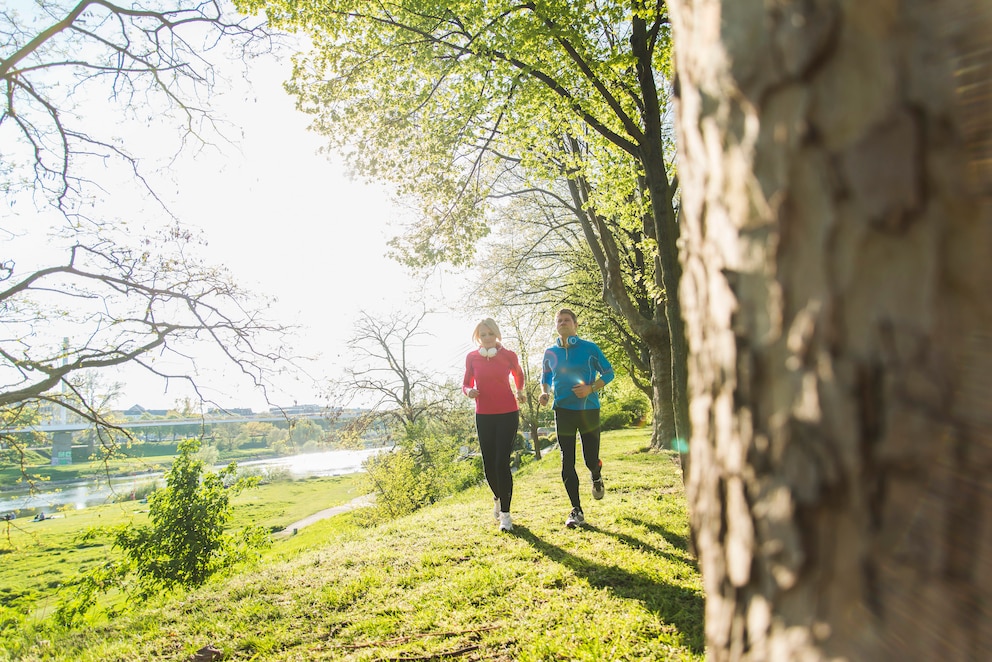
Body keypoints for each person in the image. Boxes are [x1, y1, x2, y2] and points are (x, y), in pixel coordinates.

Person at [539, 308, 614, 528]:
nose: (562, 323)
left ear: (575, 325)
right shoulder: (550, 353)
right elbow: (545, 376)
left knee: (591, 459)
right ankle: (576, 510)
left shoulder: (590, 348)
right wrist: (545, 392)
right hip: (562, 410)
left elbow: (609, 373)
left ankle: (596, 475)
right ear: (556, 326)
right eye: (559, 320)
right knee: (567, 460)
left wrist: (591, 389)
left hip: (588, 409)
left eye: (566, 320)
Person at [463, 318, 526, 533]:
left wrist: (519, 390)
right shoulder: (472, 358)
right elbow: (465, 383)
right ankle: (498, 497)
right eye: (483, 335)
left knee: (501, 462)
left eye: (490, 334)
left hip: (508, 413)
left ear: (497, 334)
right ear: (478, 337)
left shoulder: (508, 355)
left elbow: (519, 374)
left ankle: (506, 516)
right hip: (484, 415)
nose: (487, 338)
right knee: (489, 465)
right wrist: (469, 391)